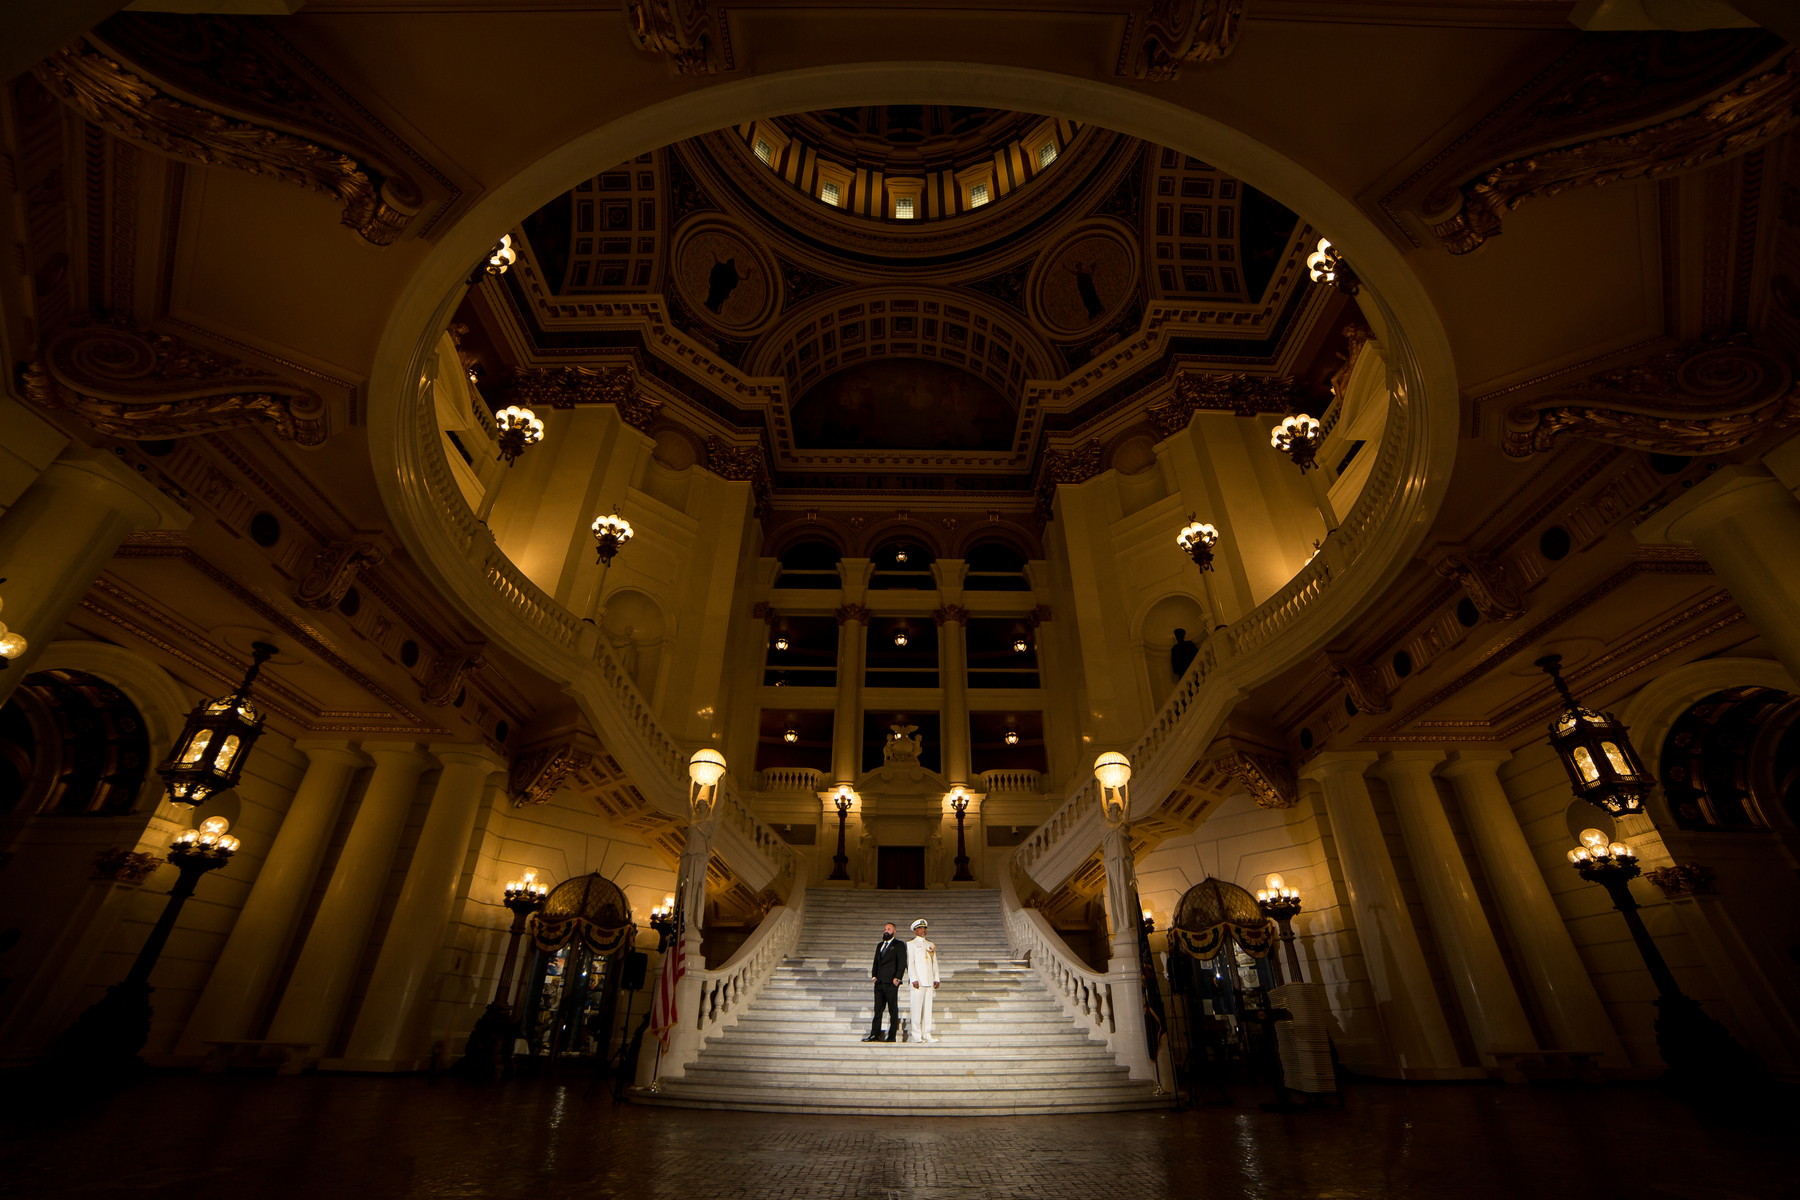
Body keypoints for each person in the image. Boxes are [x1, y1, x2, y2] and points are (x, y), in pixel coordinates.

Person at [863, 922, 906, 1042]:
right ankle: (874, 1034)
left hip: (891, 983)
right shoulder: (880, 945)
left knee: (893, 1010)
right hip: (879, 982)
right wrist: (874, 976)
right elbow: (876, 961)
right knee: (878, 1010)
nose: (886, 931)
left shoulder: (899, 944)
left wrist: (897, 978)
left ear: (894, 931)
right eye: (885, 929)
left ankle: (891, 1036)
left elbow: (902, 962)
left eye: (889, 929)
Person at [906, 918, 940, 1043]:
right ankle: (916, 1034)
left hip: (929, 981)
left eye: (924, 928)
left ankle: (927, 1033)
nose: (923, 930)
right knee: (916, 1009)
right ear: (915, 931)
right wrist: (913, 978)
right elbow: (910, 963)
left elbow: (934, 963)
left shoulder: (930, 944)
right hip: (918, 982)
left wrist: (936, 978)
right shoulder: (911, 944)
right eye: (920, 928)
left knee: (927, 1009)